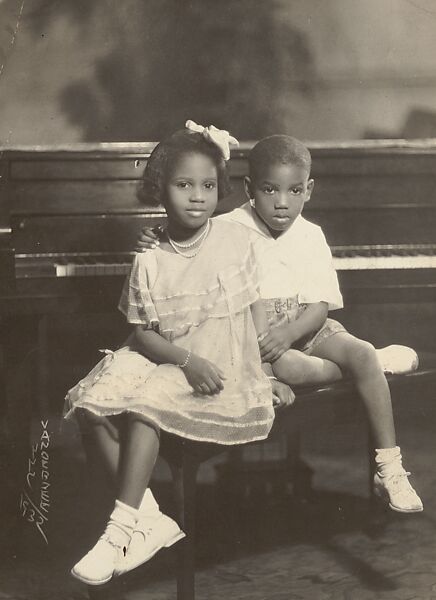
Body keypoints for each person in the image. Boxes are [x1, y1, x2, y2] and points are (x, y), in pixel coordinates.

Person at [137, 134, 423, 515]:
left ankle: (389, 467)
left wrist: (290, 332)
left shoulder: (311, 235)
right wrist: (154, 235)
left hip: (306, 325)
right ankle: (369, 367)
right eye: (270, 190)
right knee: (288, 367)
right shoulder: (226, 227)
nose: (283, 202)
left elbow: (320, 307)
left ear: (310, 190)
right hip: (254, 336)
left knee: (360, 352)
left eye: (295, 190)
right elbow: (186, 236)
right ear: (250, 189)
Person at [64, 122, 292, 586]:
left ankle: (119, 530)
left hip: (224, 365)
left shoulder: (235, 241)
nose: (197, 197)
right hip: (172, 357)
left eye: (208, 186)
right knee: (90, 405)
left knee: (145, 408)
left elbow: (256, 312)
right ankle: (145, 519)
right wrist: (187, 362)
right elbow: (145, 335)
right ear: (159, 190)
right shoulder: (149, 256)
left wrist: (268, 372)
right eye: (183, 185)